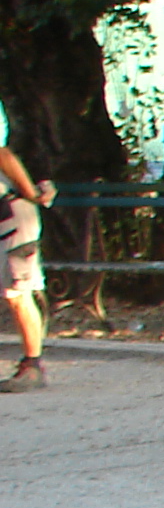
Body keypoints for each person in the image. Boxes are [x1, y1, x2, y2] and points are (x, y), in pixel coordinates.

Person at [0, 145, 53, 392]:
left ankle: (33, 365)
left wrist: (32, 193)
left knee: (18, 293)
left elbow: (4, 155)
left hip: (11, 214)